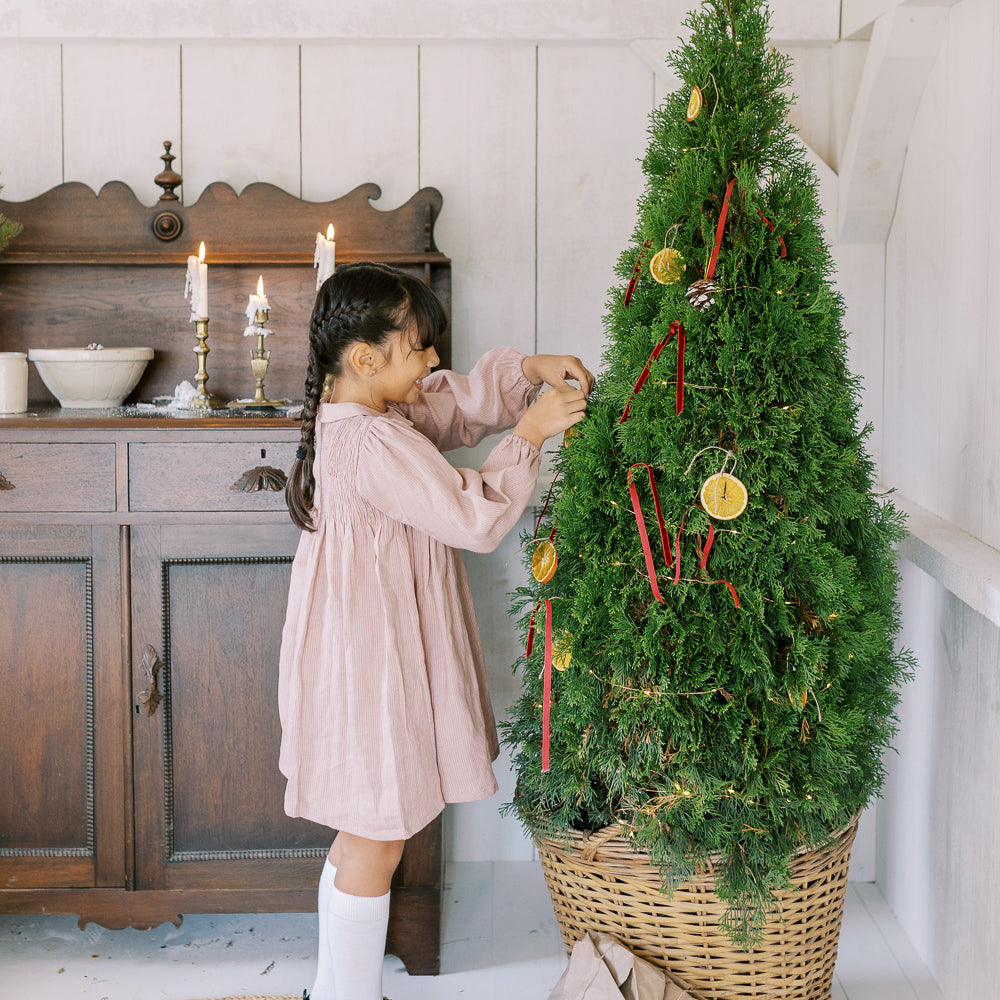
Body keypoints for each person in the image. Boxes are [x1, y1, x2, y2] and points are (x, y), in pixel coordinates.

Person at [278, 261, 592, 1000]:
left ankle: (334, 989)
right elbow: (469, 516)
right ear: (365, 358)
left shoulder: (372, 417)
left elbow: (447, 410)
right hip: (369, 664)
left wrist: (525, 373)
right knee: (375, 832)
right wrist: (530, 435)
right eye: (418, 348)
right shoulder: (369, 442)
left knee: (366, 829)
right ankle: (346, 995)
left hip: (366, 653)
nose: (431, 363)